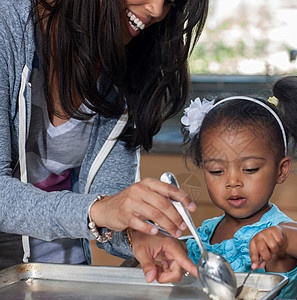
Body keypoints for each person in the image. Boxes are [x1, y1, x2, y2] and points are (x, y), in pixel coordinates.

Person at [0, 0, 208, 283]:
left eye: (171, 1)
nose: (158, 10)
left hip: (60, 277)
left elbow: (110, 198)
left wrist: (137, 235)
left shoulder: (126, 64)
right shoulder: (7, 27)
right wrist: (97, 209)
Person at [180, 75, 297, 298]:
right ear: (203, 170)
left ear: (281, 170)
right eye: (217, 171)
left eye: (249, 169)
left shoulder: (280, 231)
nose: (232, 182)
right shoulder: (207, 232)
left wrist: (287, 239)